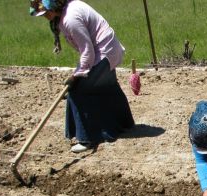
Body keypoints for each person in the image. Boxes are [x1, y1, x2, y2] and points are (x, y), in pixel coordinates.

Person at [30, 0, 134, 153]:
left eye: (46, 12)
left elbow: (87, 52)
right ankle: (124, 123)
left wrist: (76, 76)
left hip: (104, 54)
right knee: (107, 86)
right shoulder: (70, 7)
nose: (45, 16)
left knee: (77, 91)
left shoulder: (70, 19)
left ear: (53, 7)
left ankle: (87, 139)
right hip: (110, 50)